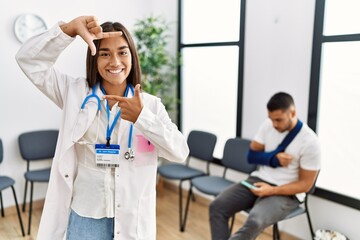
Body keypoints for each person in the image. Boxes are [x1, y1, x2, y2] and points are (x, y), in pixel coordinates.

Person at [16, 16, 189, 240]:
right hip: (86, 215)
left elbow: (179, 152)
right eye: (105, 53)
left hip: (131, 218)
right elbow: (28, 60)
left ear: (132, 57)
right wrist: (68, 30)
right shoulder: (75, 93)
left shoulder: (151, 106)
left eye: (122, 52)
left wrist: (143, 118)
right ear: (94, 57)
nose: (115, 61)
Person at [209, 92, 321, 240]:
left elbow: (305, 185)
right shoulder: (268, 125)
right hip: (259, 180)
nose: (274, 124)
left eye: (279, 120)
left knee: (255, 221)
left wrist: (272, 190)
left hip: (287, 192)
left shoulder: (310, 142)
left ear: (292, 113)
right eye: (271, 119)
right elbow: (252, 156)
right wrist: (273, 159)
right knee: (217, 206)